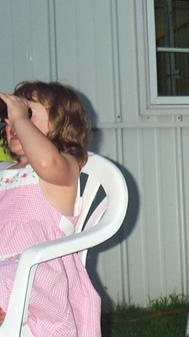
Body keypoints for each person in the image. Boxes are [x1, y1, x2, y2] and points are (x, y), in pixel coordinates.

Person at [0, 82, 100, 336]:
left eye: (27, 113)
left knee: (9, 272)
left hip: (40, 270)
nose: (13, 122)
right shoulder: (3, 173)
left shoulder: (63, 166)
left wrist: (20, 120)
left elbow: (46, 161)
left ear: (61, 126)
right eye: (10, 117)